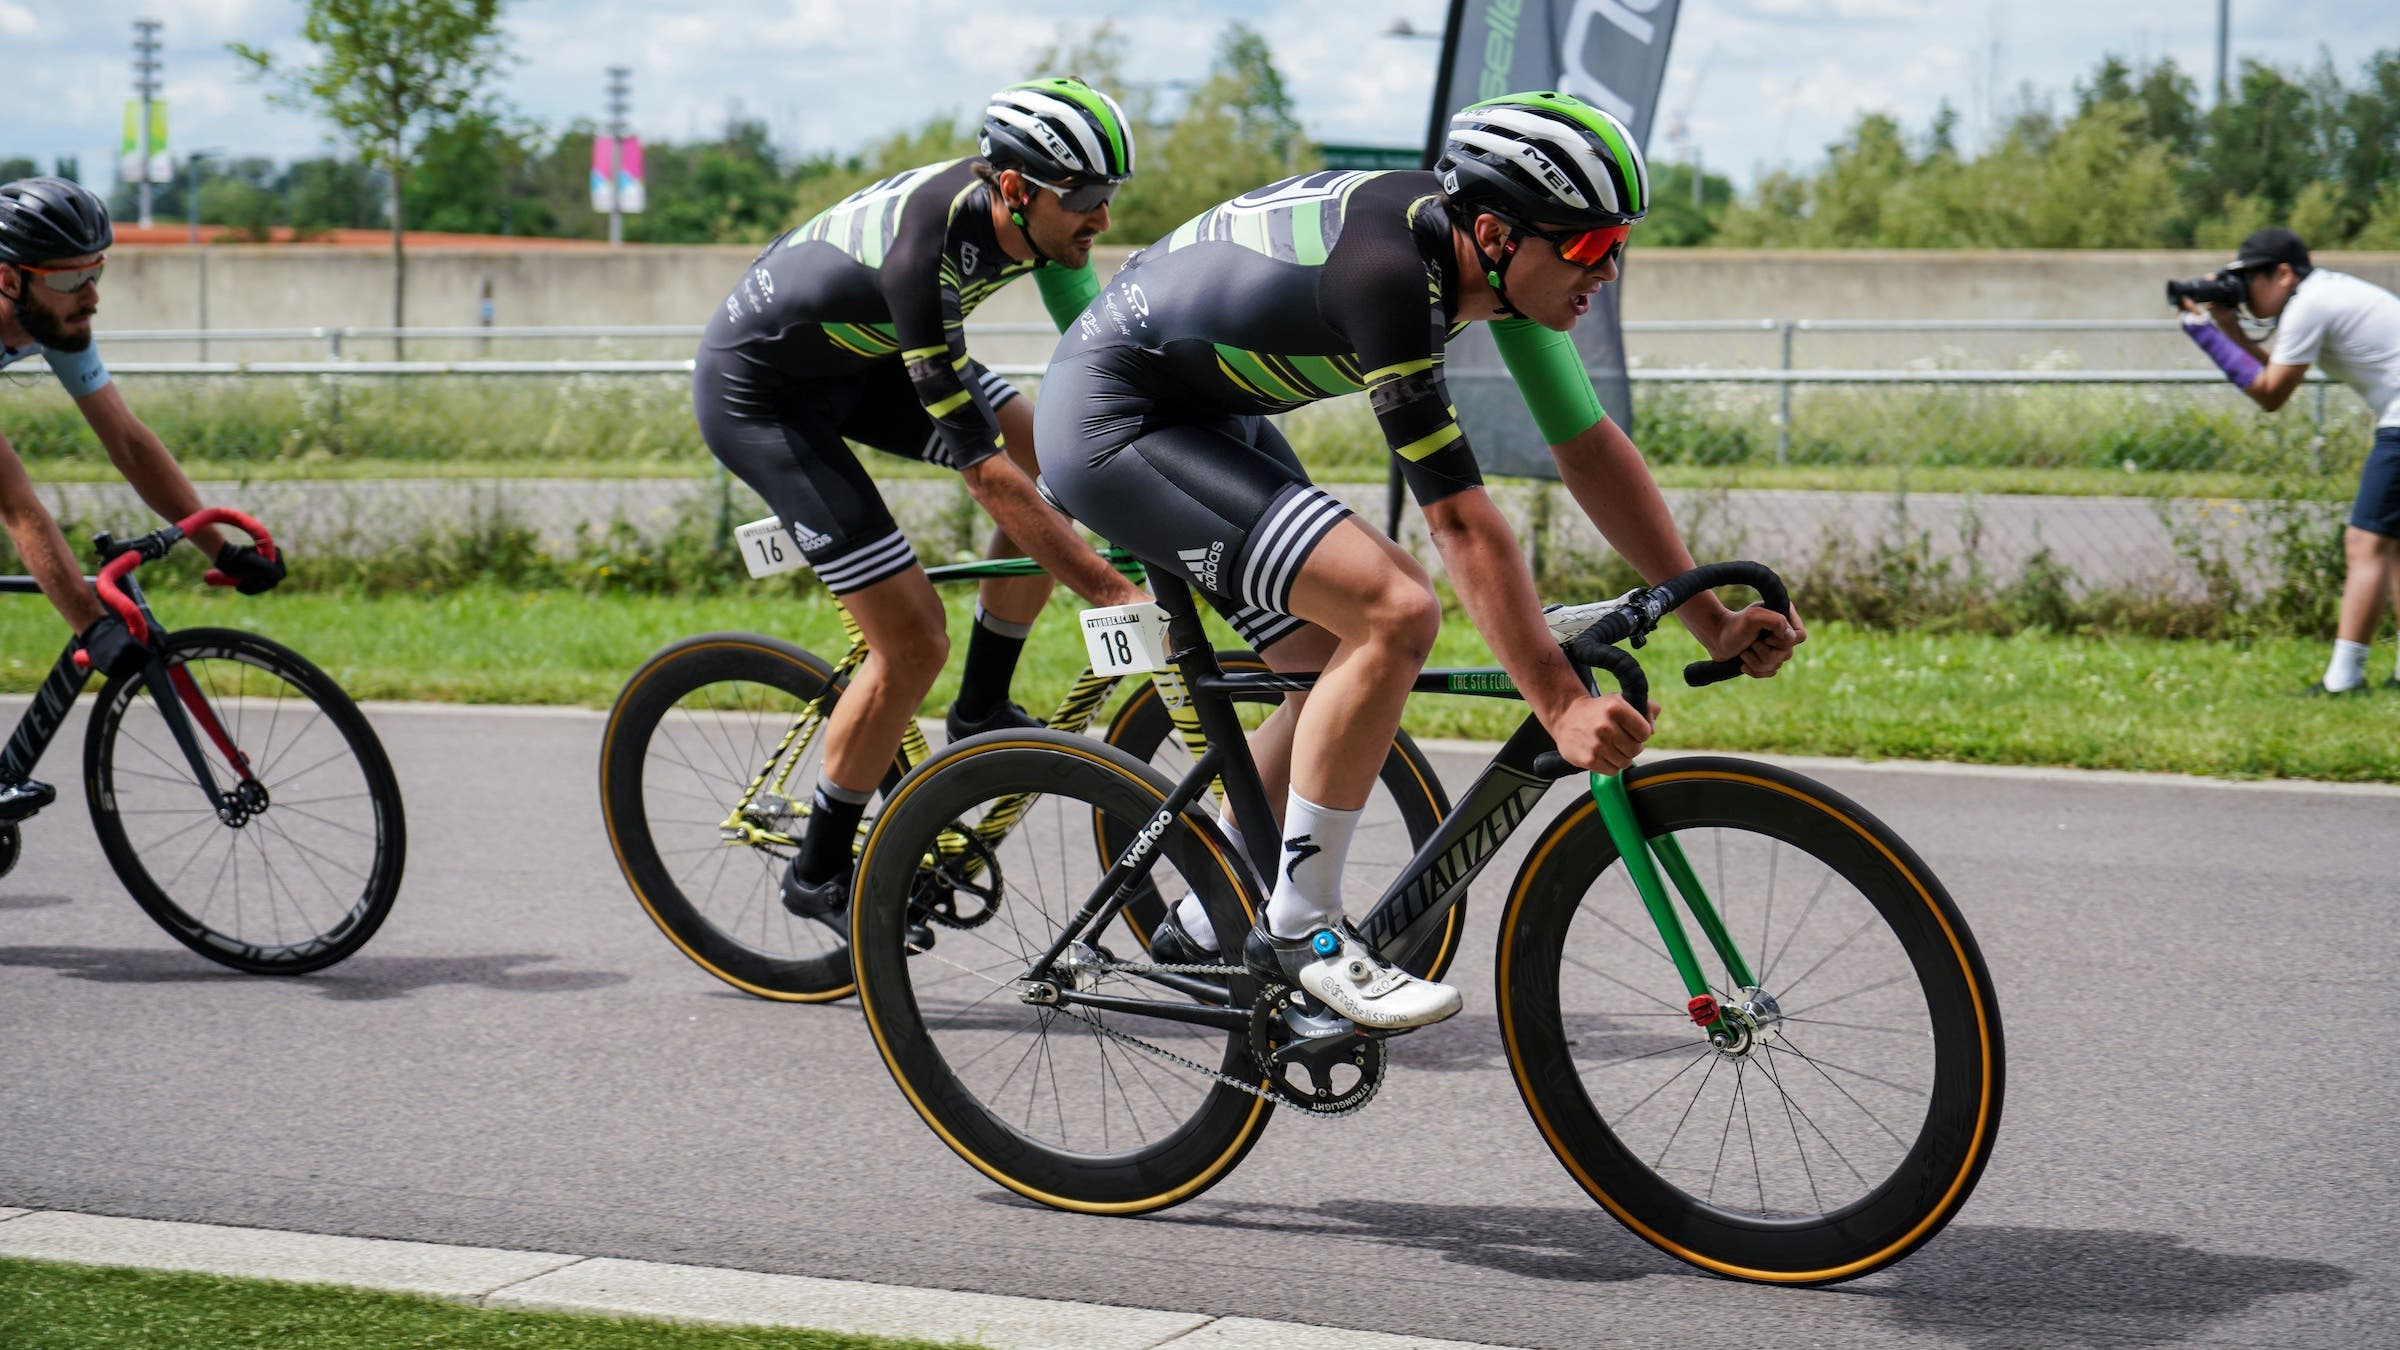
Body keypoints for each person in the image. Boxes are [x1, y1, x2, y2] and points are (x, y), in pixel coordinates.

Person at [1036, 92, 1802, 1029]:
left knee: (1327, 667)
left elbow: (1589, 448)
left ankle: (1205, 915)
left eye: (1618, 247)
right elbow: (1462, 526)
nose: (1605, 271)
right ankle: (1304, 932)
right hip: (1111, 424)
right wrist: (1557, 703)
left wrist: (1710, 617)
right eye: (1590, 248)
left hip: (1197, 414)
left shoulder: (1500, 268)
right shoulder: (1390, 274)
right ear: (1493, 230)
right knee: (1395, 607)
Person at [691, 79, 1153, 928]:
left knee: (1057, 449)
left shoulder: (1039, 217)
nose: (1101, 220)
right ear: (1015, 188)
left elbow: (1096, 342)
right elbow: (984, 476)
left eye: (1110, 195)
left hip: (860, 362)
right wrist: (1109, 591)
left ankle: (981, 707)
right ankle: (820, 868)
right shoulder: (924, 255)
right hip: (766, 398)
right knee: (910, 640)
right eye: (1085, 198)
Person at [0, 177, 283, 823]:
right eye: (72, 281)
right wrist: (89, 623)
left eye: (96, 273)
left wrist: (223, 549)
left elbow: (127, 442)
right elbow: (17, 505)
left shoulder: (56, 320)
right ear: (10, 279)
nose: (92, 297)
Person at [2178, 226, 2400, 695]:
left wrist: (2206, 337)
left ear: (2281, 274)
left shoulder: (2308, 306)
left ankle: (2344, 681)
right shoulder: (2323, 294)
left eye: (2248, 281)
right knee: (2392, 548)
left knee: (2366, 544)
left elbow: (2270, 394)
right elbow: (2277, 372)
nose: (2242, 293)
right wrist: (2230, 328)